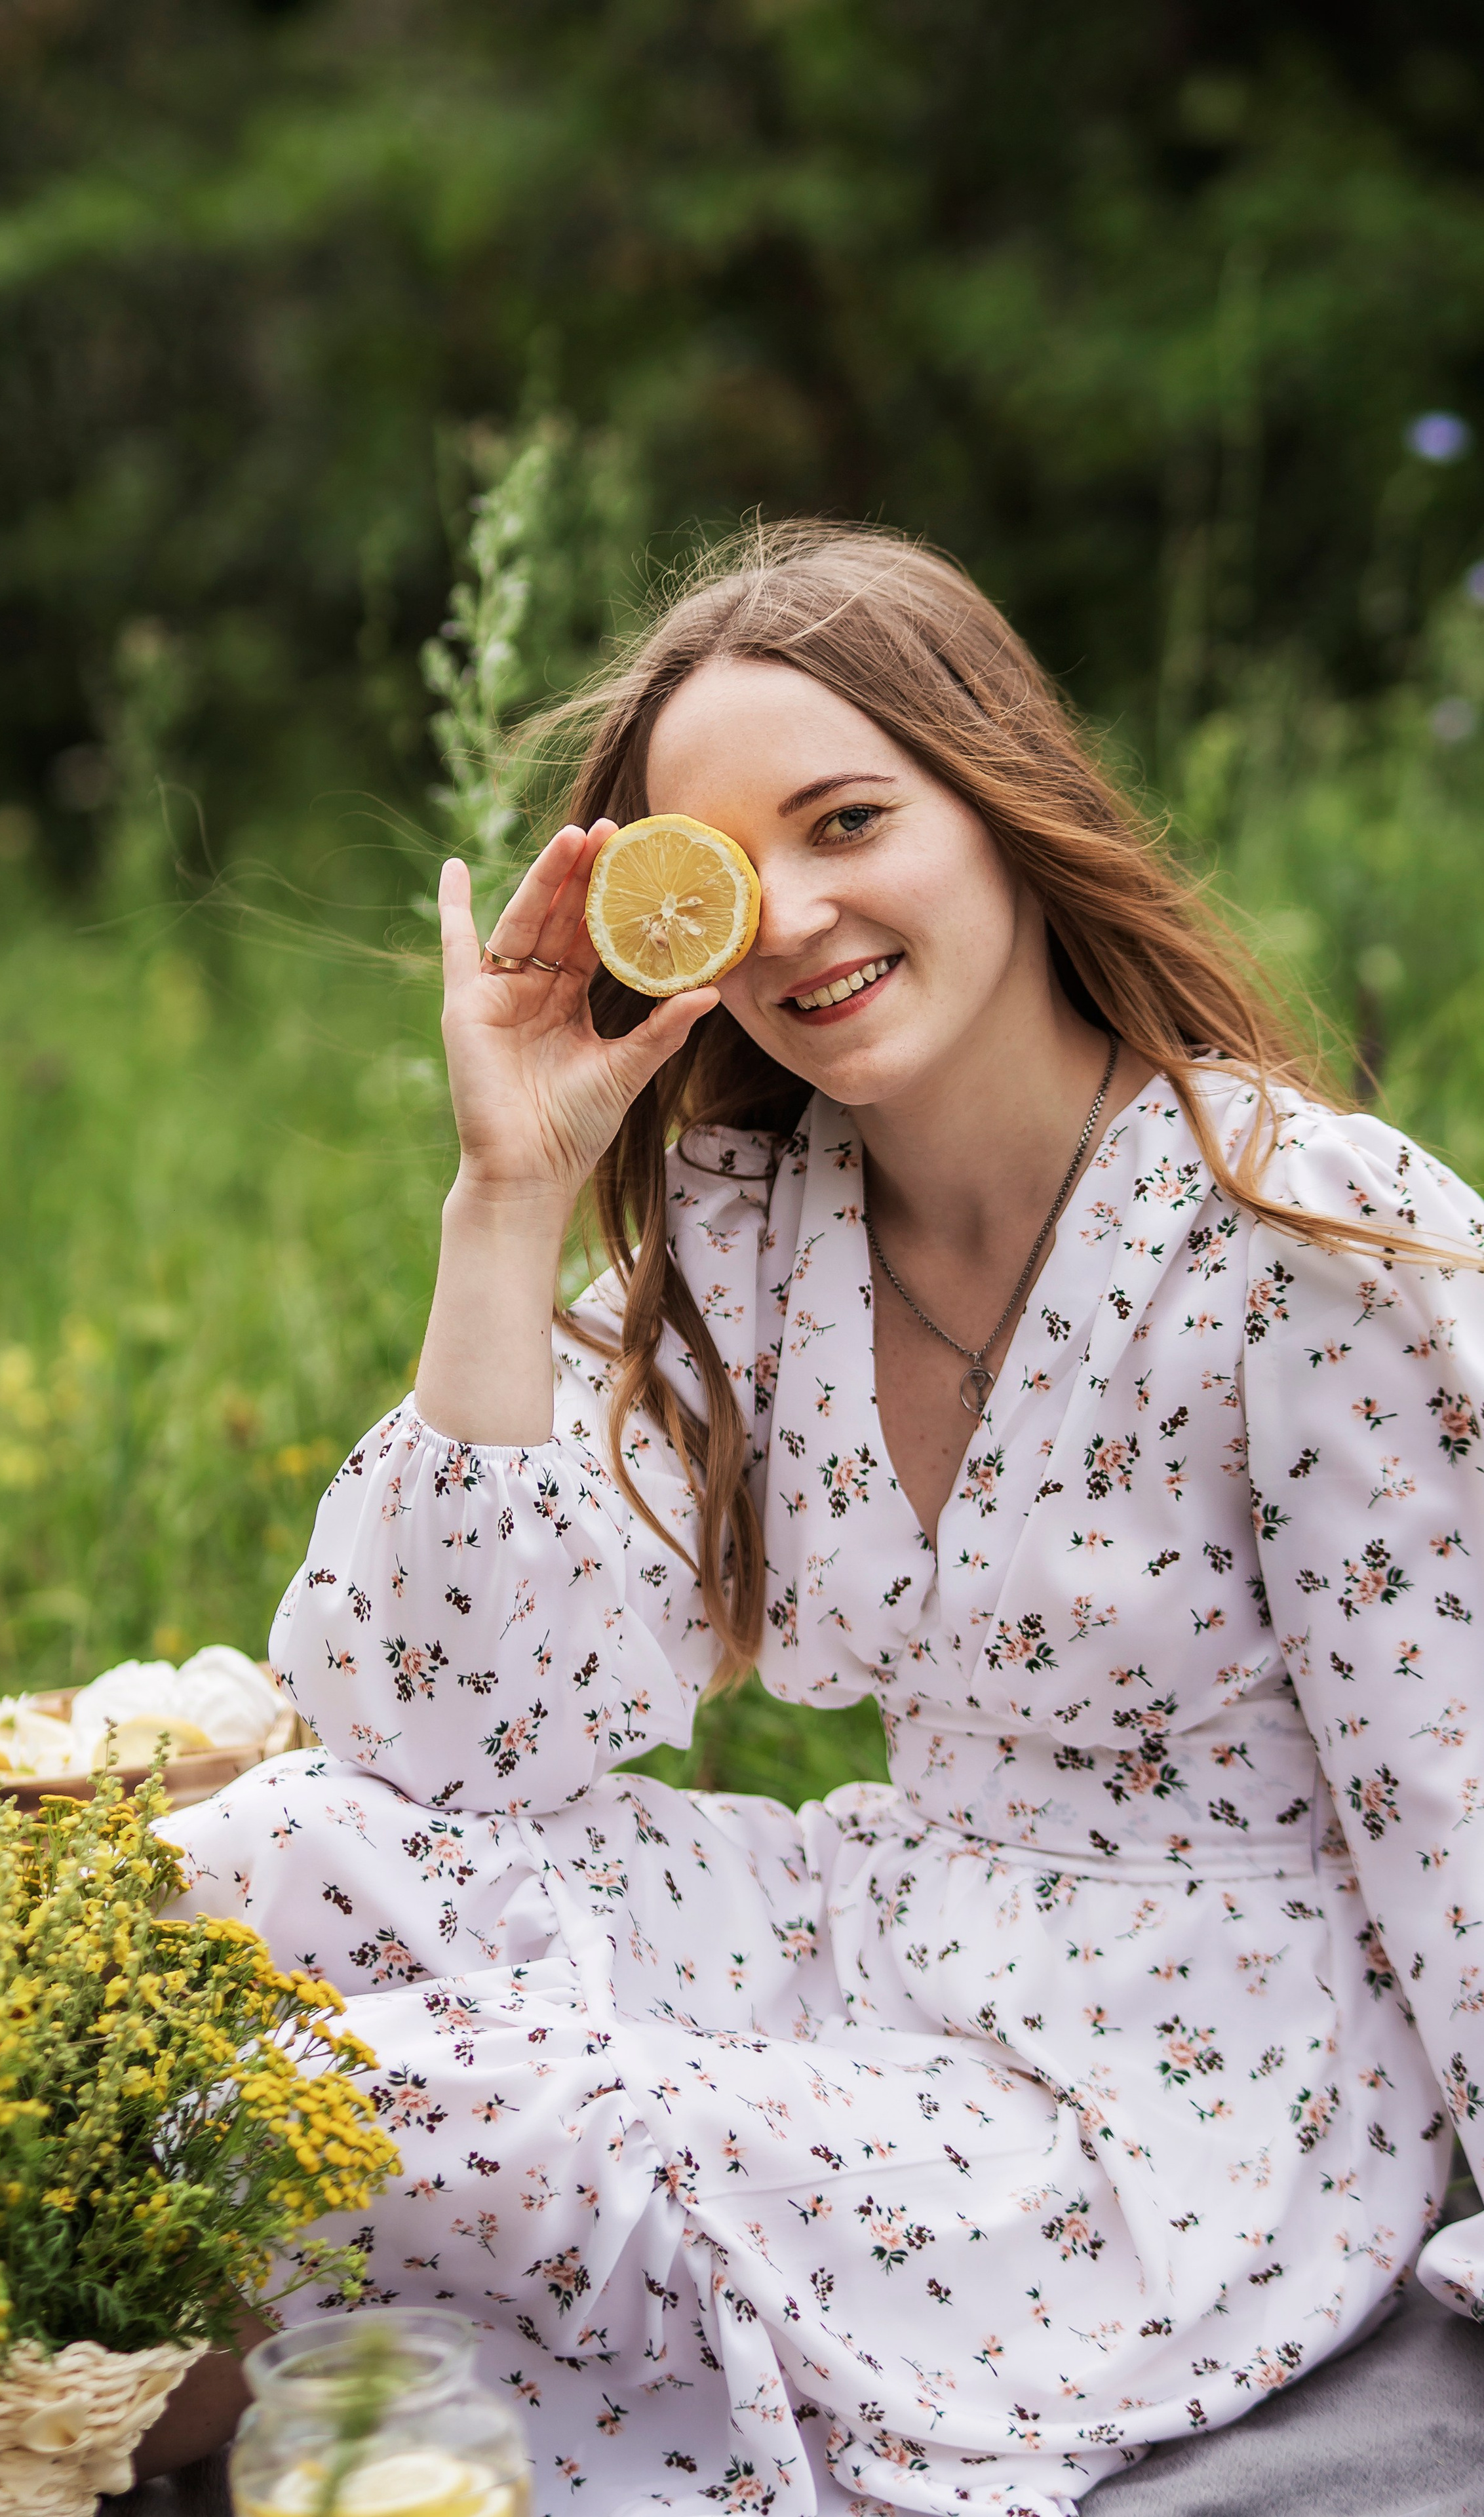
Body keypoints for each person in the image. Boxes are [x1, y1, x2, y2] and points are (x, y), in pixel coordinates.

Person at [163, 526, 1484, 2517]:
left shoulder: (1304, 1245)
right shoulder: (758, 1235)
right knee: (264, 1862)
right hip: (883, 1939)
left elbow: (1463, 1791)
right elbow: (435, 1733)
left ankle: (199, 2436)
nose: (790, 918)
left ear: (1003, 806)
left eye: (850, 820)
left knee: (516, 2125)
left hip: (1185, 2102)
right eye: (720, 879)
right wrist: (506, 1198)